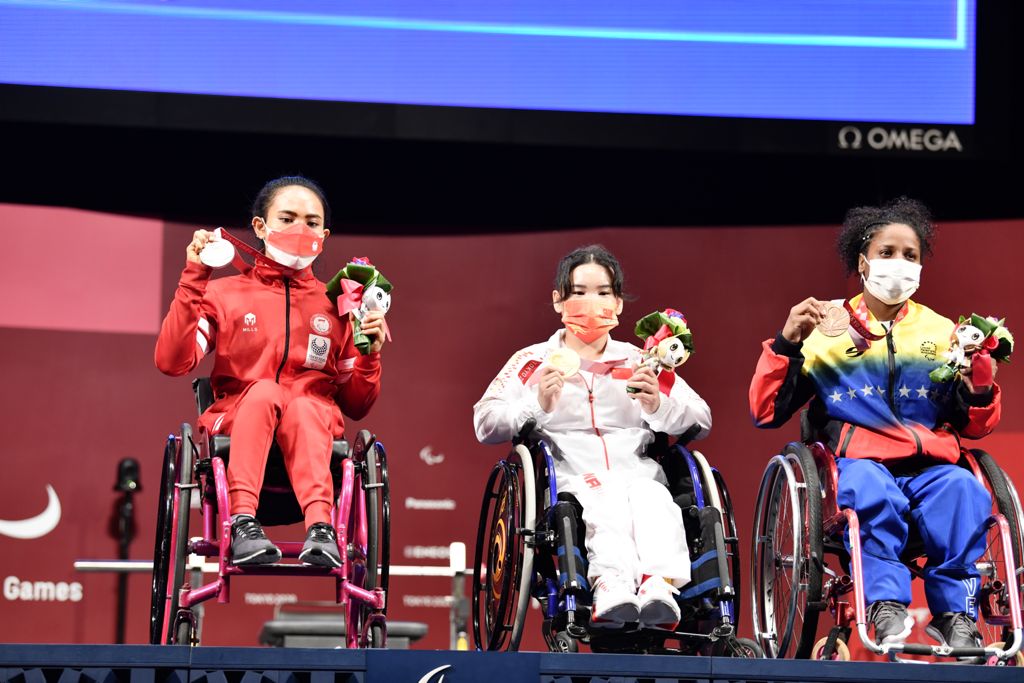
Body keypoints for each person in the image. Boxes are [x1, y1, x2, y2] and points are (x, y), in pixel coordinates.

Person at [749, 197, 1001, 649]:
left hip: (931, 467)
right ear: (863, 262)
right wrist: (787, 343)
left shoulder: (943, 332)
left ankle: (956, 616)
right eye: (887, 252)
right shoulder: (824, 330)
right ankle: (884, 604)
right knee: (870, 490)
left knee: (964, 490)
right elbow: (766, 411)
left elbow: (973, 426)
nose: (899, 263)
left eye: (910, 255)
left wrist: (979, 388)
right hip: (859, 463)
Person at [473, 245, 712, 630]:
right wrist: (537, 404)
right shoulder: (532, 361)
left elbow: (701, 416)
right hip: (573, 475)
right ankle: (610, 585)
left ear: (618, 303)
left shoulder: (642, 361)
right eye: (579, 292)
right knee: (606, 499)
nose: (592, 302)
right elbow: (485, 422)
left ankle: (658, 586)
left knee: (654, 498)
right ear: (558, 300)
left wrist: (658, 406)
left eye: (603, 293)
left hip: (638, 473)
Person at [155, 176, 386, 568]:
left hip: (312, 433)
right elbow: (171, 361)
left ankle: (321, 528)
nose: (300, 230)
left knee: (305, 404)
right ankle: (242, 522)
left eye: (312, 223)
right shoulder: (223, 294)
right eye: (288, 218)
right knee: (265, 393)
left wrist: (370, 357)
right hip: (239, 421)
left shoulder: (340, 305)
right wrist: (195, 275)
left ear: (324, 236)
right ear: (261, 227)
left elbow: (356, 406)